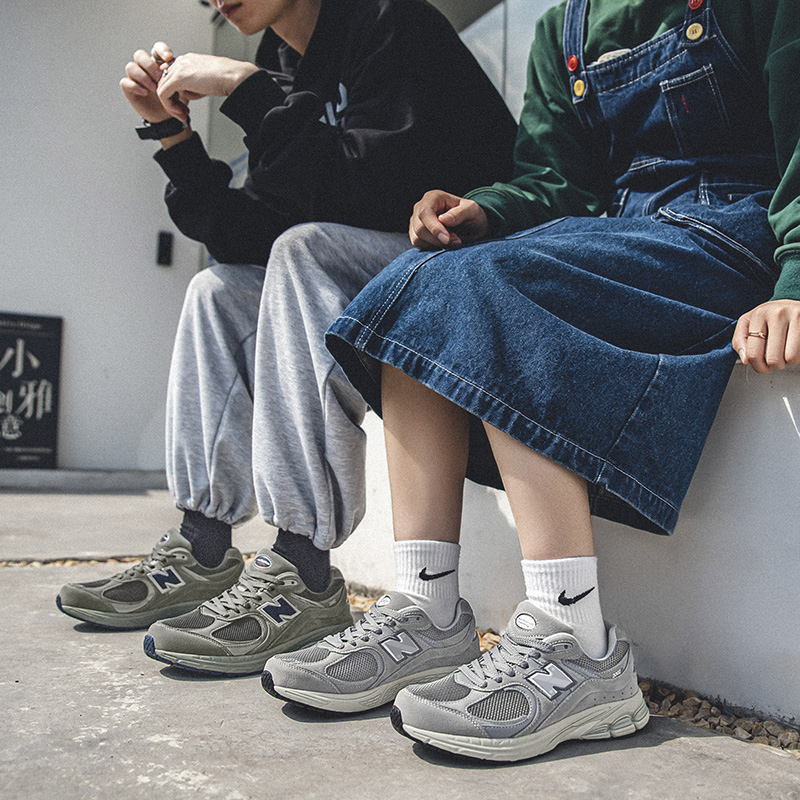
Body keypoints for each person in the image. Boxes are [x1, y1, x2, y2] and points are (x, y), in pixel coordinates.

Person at [262, 0, 800, 761]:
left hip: (730, 238)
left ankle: (575, 639)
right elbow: (558, 181)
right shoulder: (565, 27)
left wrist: (796, 279)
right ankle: (427, 607)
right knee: (422, 281)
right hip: (620, 234)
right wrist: (485, 209)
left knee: (499, 289)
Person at [55, 0, 517, 677]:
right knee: (218, 290)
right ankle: (202, 548)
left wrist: (244, 89)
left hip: (470, 265)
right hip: (375, 272)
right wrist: (174, 138)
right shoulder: (282, 63)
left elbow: (371, 190)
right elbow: (250, 233)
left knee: (303, 252)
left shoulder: (389, 21)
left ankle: (303, 571)